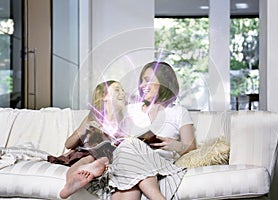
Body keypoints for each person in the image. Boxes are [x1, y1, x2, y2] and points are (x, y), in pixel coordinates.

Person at [108, 61, 196, 200]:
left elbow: (191, 147)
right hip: (128, 161)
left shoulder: (178, 112)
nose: (142, 86)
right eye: (142, 81)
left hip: (159, 163)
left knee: (129, 148)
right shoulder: (131, 109)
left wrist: (175, 145)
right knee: (127, 150)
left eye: (147, 81)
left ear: (164, 83)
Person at [48, 80, 126, 199]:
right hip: (88, 153)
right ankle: (71, 183)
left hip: (108, 155)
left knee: (102, 157)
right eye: (117, 90)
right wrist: (84, 129)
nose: (123, 93)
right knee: (86, 159)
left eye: (123, 90)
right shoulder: (92, 117)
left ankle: (96, 166)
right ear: (104, 97)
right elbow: (68, 144)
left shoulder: (124, 119)